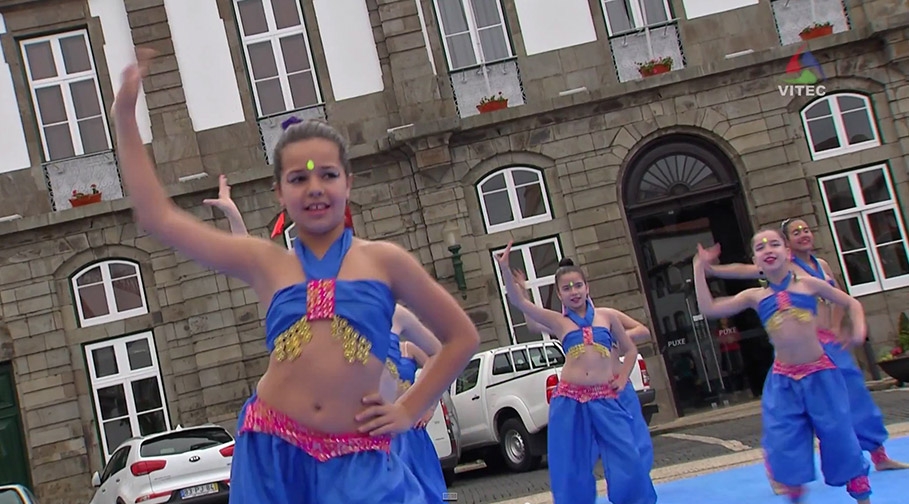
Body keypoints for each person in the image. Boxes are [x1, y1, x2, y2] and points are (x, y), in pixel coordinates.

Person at [112, 51, 479, 503]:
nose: (315, 188)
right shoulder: (265, 262)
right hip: (274, 450)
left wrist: (409, 409)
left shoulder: (385, 261)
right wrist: (125, 116)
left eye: (327, 174)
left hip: (358, 455)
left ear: (349, 181)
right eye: (298, 179)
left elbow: (462, 338)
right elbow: (157, 217)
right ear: (279, 191)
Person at [702, 218, 908, 490]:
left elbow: (839, 297)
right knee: (793, 416)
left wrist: (839, 325)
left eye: (806, 229)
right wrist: (710, 268)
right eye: (796, 232)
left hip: (829, 344)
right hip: (802, 349)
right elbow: (741, 272)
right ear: (788, 244)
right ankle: (784, 471)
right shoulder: (779, 265)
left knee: (855, 398)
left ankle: (875, 455)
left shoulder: (820, 267)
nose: (803, 234)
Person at [495, 249, 656, 504]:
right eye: (567, 288)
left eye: (578, 285)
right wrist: (505, 270)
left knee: (629, 458)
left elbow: (631, 348)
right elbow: (519, 303)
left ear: (587, 287)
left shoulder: (607, 317)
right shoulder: (559, 322)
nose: (574, 291)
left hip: (606, 398)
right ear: (559, 294)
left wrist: (624, 376)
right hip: (571, 400)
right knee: (571, 465)